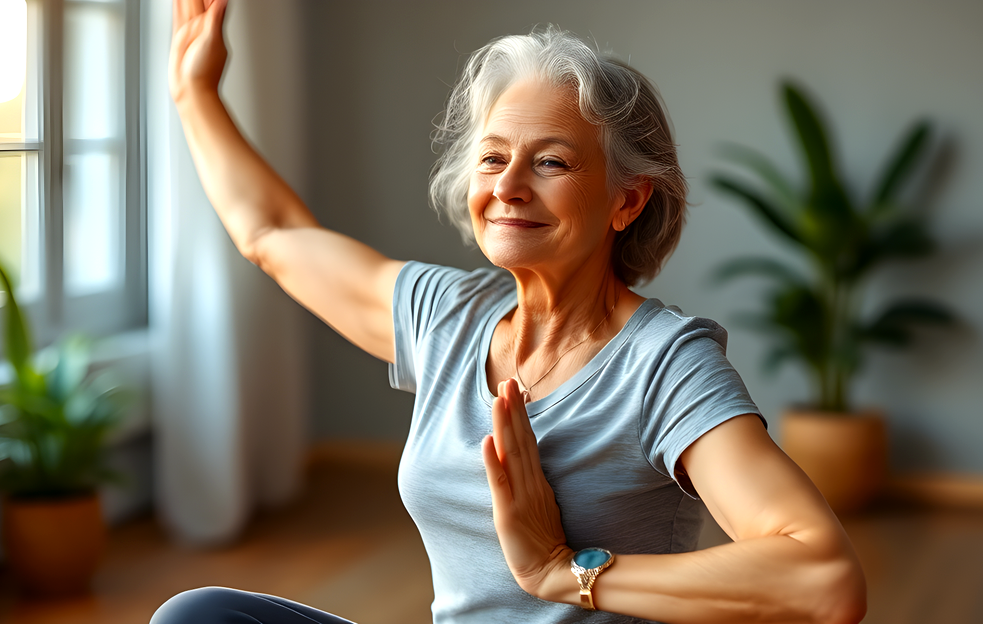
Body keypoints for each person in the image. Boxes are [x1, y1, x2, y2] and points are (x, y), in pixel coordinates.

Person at [153, 1, 868, 623]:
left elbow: (822, 580)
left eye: (551, 162)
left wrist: (563, 572)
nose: (510, 186)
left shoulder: (664, 364)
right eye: (493, 159)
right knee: (201, 615)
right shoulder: (449, 316)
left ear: (628, 200)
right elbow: (273, 236)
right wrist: (195, 94)